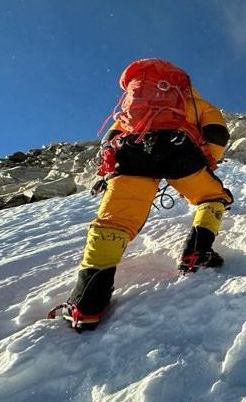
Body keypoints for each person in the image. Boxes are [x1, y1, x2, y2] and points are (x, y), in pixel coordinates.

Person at [48, 58, 232, 330]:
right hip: (179, 151)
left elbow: (110, 140)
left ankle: (86, 305)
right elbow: (217, 134)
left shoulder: (133, 105)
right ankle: (197, 253)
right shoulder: (193, 102)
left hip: (131, 153)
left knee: (114, 221)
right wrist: (204, 163)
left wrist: (107, 175)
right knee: (212, 197)